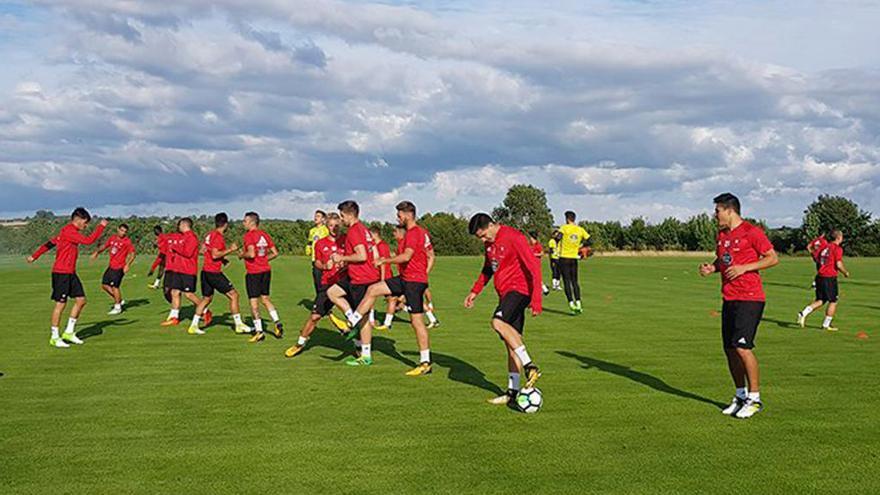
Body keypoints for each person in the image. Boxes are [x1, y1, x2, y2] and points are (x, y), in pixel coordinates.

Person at [699, 193, 778, 419]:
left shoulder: (752, 232)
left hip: (750, 298)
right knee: (730, 349)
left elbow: (772, 258)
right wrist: (711, 269)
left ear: (730, 210)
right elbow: (721, 261)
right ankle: (740, 395)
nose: (715, 215)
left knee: (743, 347)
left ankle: (755, 398)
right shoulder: (721, 236)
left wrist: (745, 268)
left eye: (717, 211)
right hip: (729, 298)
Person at [464, 213, 543, 406]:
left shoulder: (514, 237)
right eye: (480, 238)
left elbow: (534, 266)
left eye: (484, 236)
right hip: (504, 293)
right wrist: (475, 292)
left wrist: (536, 299)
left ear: (491, 225)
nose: (483, 240)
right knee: (511, 343)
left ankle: (530, 366)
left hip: (519, 290)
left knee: (497, 322)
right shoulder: (489, 244)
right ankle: (512, 393)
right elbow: (488, 269)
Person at [350, 201, 435, 375]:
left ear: (408, 214)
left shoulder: (413, 233)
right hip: (405, 279)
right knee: (373, 289)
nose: (398, 218)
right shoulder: (418, 233)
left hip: (413, 282)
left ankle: (425, 362)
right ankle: (352, 321)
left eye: (399, 215)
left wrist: (385, 260)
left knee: (416, 321)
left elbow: (406, 257)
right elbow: (430, 255)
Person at [28, 207, 108, 348]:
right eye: (85, 222)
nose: (86, 225)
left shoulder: (66, 232)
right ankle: (54, 337)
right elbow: (89, 241)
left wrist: (35, 256)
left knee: (81, 300)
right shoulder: (70, 231)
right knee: (61, 304)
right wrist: (101, 227)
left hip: (70, 272)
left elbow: (50, 244)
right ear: (78, 219)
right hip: (61, 273)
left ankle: (69, 332)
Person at [326, 200, 381, 365]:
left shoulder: (354, 231)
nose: (341, 220)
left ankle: (365, 356)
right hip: (356, 275)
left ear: (349, 214)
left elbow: (362, 255)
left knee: (363, 319)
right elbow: (372, 253)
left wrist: (341, 258)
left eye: (342, 216)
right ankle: (351, 320)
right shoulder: (363, 229)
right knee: (332, 292)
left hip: (362, 278)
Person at [285, 213, 347, 358]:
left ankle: (359, 348)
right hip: (327, 284)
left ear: (341, 225)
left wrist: (346, 263)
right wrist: (325, 265)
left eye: (336, 225)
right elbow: (317, 262)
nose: (334, 228)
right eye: (331, 225)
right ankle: (299, 344)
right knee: (314, 317)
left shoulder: (346, 240)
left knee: (356, 316)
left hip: (344, 284)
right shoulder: (321, 243)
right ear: (327, 226)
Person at [190, 213, 252, 335]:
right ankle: (239, 325)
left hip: (205, 271)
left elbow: (203, 250)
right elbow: (214, 254)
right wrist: (231, 249)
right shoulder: (218, 237)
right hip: (213, 272)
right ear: (226, 224)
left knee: (206, 299)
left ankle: (193, 325)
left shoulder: (209, 234)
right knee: (234, 295)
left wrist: (222, 259)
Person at [240, 211, 283, 343]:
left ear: (252, 222)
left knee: (254, 303)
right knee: (265, 299)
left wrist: (242, 255)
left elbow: (252, 254)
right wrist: (264, 260)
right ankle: (277, 322)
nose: (243, 223)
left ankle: (259, 332)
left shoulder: (249, 236)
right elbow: (275, 253)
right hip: (266, 270)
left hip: (254, 272)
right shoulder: (264, 235)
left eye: (245, 221)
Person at [797, 229, 850, 331]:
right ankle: (826, 325)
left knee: (821, 300)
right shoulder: (837, 249)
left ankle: (803, 313)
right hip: (829, 277)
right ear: (839, 237)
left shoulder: (824, 247)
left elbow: (815, 257)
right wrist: (845, 272)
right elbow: (838, 264)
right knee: (833, 300)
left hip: (820, 276)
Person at [160, 218, 206, 330]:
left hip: (188, 270)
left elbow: (188, 253)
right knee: (174, 292)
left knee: (189, 294)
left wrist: (175, 247)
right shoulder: (183, 237)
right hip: (179, 270)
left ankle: (205, 310)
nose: (178, 227)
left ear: (184, 225)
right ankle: (174, 317)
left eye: (179, 224)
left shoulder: (191, 237)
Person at [91, 223, 136, 315]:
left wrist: (128, 265)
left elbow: (133, 254)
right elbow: (104, 246)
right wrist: (97, 252)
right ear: (117, 229)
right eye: (122, 230)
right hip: (111, 266)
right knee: (104, 285)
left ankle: (118, 307)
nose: (123, 233)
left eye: (125, 232)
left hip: (119, 267)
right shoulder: (112, 238)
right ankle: (119, 300)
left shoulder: (127, 241)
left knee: (115, 287)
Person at [558, 211, 590, 314]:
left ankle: (571, 304)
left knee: (567, 282)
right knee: (575, 281)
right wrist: (581, 246)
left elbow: (558, 237)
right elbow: (589, 240)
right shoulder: (580, 229)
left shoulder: (564, 228)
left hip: (564, 257)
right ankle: (579, 303)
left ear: (567, 219)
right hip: (574, 258)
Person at [306, 210, 330, 293]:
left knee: (325, 282)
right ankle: (319, 299)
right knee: (317, 281)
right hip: (315, 259)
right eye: (315, 216)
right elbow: (310, 241)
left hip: (324, 259)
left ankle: (324, 301)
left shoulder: (326, 230)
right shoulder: (312, 231)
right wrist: (308, 248)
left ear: (323, 219)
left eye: (318, 216)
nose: (315, 218)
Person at [528, 231, 551, 296]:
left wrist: (534, 254)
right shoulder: (530, 245)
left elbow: (542, 253)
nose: (530, 239)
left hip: (536, 263)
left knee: (536, 277)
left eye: (530, 238)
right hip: (530, 263)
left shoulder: (538, 245)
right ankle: (543, 289)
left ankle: (543, 289)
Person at [147, 225, 168, 290]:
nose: (154, 232)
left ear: (157, 230)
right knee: (161, 269)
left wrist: (157, 245)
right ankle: (156, 284)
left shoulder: (163, 237)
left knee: (166, 270)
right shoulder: (161, 237)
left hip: (166, 255)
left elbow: (164, 246)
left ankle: (167, 284)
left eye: (154, 231)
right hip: (164, 254)